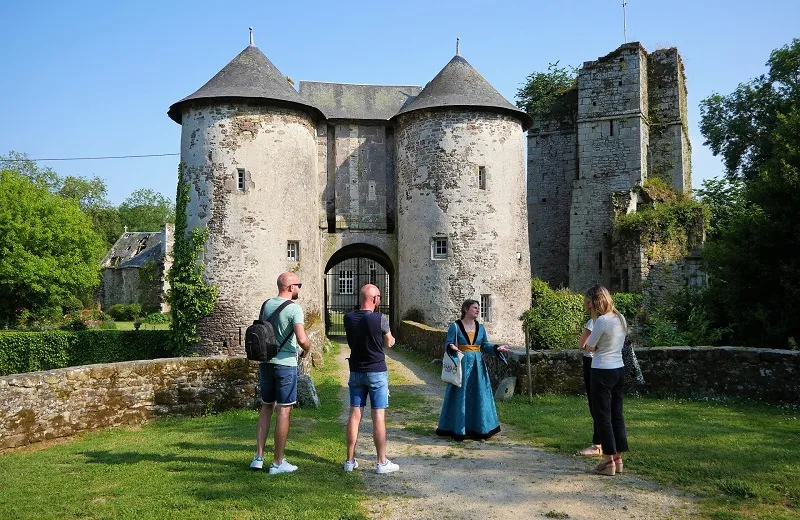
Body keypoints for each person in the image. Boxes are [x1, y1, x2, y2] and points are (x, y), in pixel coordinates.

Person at [250, 272, 311, 474]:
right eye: (298, 285)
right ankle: (277, 462)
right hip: (285, 364)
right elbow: (302, 339)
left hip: (265, 362)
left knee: (266, 407)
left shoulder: (266, 305)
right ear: (290, 287)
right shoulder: (294, 309)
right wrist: (308, 349)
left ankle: (258, 457)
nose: (299, 288)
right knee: (284, 410)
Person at [343, 284, 400, 474]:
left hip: (356, 371)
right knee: (378, 416)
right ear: (375, 299)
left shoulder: (348, 317)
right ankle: (381, 462)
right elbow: (389, 342)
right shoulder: (380, 319)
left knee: (354, 414)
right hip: (376, 371)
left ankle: (350, 461)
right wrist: (387, 338)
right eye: (380, 297)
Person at [436, 299, 510, 441]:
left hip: (478, 366)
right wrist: (451, 347)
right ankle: (458, 428)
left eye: (478, 308)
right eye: (475, 308)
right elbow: (448, 343)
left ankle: (479, 429)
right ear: (466, 309)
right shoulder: (455, 327)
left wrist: (497, 348)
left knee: (479, 395)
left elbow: (485, 346)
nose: (477, 310)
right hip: (462, 365)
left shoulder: (481, 328)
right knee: (460, 395)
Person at [584, 284, 628, 476]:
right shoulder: (621, 318)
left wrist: (594, 347)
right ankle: (618, 458)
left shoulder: (602, 321)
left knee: (603, 415)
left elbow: (589, 346)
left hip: (602, 369)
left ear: (596, 301)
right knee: (617, 414)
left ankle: (608, 460)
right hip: (619, 368)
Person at [577, 311, 602, 456]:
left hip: (592, 362)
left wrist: (594, 348)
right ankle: (606, 442)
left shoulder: (593, 322)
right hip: (610, 364)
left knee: (595, 403)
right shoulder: (615, 319)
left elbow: (582, 344)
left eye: (588, 303)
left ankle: (597, 444)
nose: (586, 306)